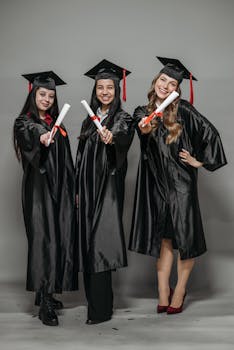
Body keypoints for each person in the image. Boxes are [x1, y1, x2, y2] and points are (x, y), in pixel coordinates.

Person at [129, 57, 227, 314]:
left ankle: (180, 290)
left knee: (185, 238)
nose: (165, 85)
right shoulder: (142, 111)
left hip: (182, 183)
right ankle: (163, 292)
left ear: (177, 89)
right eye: (163, 80)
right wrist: (147, 124)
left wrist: (199, 162)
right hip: (155, 184)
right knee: (164, 240)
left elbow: (210, 133)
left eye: (172, 83)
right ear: (155, 82)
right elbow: (143, 127)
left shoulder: (183, 110)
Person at [13, 71, 78, 326]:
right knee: (43, 241)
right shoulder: (24, 122)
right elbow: (32, 132)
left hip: (60, 190)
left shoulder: (57, 125)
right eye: (42, 94)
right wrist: (42, 136)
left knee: (58, 237)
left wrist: (74, 191)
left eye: (51, 95)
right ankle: (45, 305)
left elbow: (68, 162)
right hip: (39, 192)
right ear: (33, 94)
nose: (47, 99)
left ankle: (46, 293)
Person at [75, 59, 134, 324]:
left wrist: (112, 137)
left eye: (109, 87)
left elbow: (122, 136)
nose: (105, 92)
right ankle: (100, 305)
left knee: (101, 245)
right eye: (100, 88)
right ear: (95, 91)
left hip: (107, 190)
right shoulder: (89, 120)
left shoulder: (122, 117)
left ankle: (99, 311)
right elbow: (79, 158)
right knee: (89, 243)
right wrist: (77, 189)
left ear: (117, 90)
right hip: (87, 192)